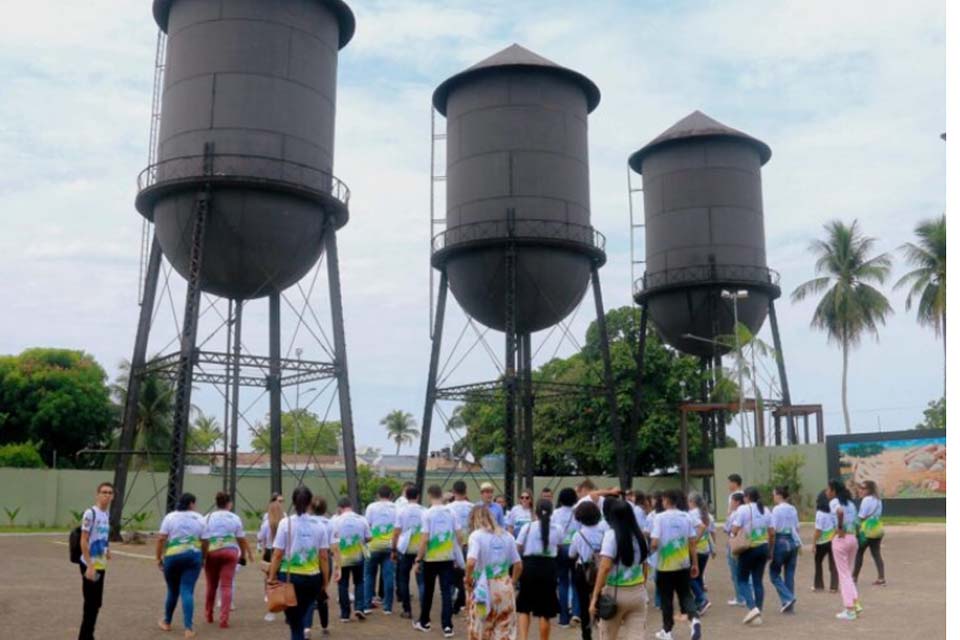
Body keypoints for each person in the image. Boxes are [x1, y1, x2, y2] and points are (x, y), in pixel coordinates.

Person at [269, 485, 331, 640]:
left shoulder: (286, 523)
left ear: (293, 502)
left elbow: (277, 554)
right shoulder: (320, 526)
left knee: (295, 621)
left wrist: (271, 577)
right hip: (312, 579)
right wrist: (324, 581)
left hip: (290, 578)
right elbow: (323, 557)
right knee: (301, 615)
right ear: (310, 502)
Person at [649, 491, 702, 640]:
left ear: (666, 500)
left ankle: (667, 630)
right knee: (685, 594)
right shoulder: (686, 516)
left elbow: (654, 542)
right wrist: (695, 564)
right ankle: (694, 618)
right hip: (683, 563)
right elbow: (692, 542)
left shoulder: (659, 518)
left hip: (665, 566)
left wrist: (649, 552)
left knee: (666, 598)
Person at [464, 505, 522, 640]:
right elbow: (518, 565)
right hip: (504, 585)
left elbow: (471, 562)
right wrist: (512, 582)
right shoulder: (507, 536)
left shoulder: (476, 536)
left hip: (483, 588)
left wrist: (468, 580)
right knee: (505, 626)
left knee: (480, 626)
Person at [157, 492, 205, 637]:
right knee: (187, 590)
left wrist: (158, 558)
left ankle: (167, 622)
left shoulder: (170, 517)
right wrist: (203, 557)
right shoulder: (199, 518)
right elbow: (206, 540)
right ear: (191, 504)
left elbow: (161, 539)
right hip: (192, 556)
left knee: (172, 590)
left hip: (173, 556)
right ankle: (189, 628)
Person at [202, 491, 252, 628]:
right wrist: (242, 556)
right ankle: (224, 619)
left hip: (212, 552)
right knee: (226, 586)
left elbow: (203, 538)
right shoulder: (235, 518)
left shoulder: (207, 517)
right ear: (229, 504)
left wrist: (203, 556)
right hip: (230, 551)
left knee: (211, 585)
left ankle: (209, 615)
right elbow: (241, 539)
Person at [415, 485, 460, 637]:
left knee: (428, 591)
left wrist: (418, 558)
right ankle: (447, 626)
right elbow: (459, 535)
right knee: (446, 592)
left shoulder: (427, 513)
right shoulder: (451, 512)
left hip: (430, 558)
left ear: (429, 495)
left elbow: (425, 539)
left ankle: (424, 622)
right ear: (441, 494)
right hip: (447, 557)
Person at [516, 499, 561, 640]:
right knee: (545, 610)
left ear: (535, 511)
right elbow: (559, 546)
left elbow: (518, 546)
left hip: (529, 567)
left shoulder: (528, 527)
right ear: (552, 511)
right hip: (549, 567)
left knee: (524, 606)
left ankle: (523, 638)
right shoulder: (558, 528)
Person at [730, 486, 774, 625]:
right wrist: (770, 550)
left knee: (741, 579)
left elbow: (735, 529)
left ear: (747, 497)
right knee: (758, 581)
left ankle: (752, 607)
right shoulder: (766, 510)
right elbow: (772, 532)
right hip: (763, 547)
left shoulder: (743, 509)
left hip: (749, 548)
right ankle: (758, 611)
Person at [77, 481, 114, 640]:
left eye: (110, 493)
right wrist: (89, 566)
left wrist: (107, 549)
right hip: (89, 564)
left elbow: (103, 536)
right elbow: (83, 540)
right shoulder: (90, 513)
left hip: (101, 563)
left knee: (96, 603)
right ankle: (85, 637)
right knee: (91, 604)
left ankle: (88, 635)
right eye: (104, 492)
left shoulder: (106, 514)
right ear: (97, 494)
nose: (107, 495)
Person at [568, 500, 604, 640]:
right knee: (601, 601)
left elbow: (571, 554)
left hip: (582, 570)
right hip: (600, 570)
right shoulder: (603, 532)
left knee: (584, 604)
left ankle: (586, 635)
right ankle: (603, 632)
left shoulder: (578, 534)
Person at [331, 496, 371, 622]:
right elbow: (369, 537)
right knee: (359, 582)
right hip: (358, 555)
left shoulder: (335, 521)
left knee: (342, 584)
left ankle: (345, 614)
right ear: (351, 507)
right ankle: (360, 607)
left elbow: (332, 540)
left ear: (339, 508)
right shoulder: (361, 519)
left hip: (341, 557)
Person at [827, 479, 862, 620]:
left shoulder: (834, 502)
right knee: (848, 573)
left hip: (841, 539)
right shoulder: (851, 504)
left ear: (834, 490)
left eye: (828, 489)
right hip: (853, 538)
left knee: (844, 575)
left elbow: (839, 512)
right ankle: (855, 603)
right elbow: (857, 522)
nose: (826, 492)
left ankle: (849, 609)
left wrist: (840, 528)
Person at [363, 484, 398, 615]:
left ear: (378, 495)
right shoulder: (396, 508)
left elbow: (367, 525)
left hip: (373, 546)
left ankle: (367, 605)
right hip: (389, 546)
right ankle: (387, 607)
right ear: (390, 496)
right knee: (388, 576)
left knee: (369, 576)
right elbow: (398, 528)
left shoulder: (371, 507)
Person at [394, 484, 426, 620]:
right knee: (422, 581)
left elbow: (396, 532)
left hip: (405, 549)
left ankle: (407, 609)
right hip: (420, 549)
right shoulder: (425, 511)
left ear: (405, 497)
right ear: (418, 496)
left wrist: (393, 549)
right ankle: (424, 610)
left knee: (403, 579)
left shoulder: (401, 511)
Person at [551, 487, 581, 627]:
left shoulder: (555, 513)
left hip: (560, 548)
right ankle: (576, 612)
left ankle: (563, 618)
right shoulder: (578, 513)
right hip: (575, 548)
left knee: (562, 583)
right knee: (576, 582)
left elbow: (552, 531)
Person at [769, 485, 800, 613]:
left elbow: (773, 529)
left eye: (774, 494)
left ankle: (788, 598)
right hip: (792, 540)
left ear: (779, 495)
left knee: (774, 573)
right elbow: (797, 527)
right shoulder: (792, 508)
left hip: (780, 541)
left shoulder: (776, 510)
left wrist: (770, 548)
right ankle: (789, 605)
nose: (773, 497)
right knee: (789, 573)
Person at [448, 481, 476, 616]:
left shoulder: (449, 508)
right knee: (469, 574)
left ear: (453, 492)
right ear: (466, 491)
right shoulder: (473, 507)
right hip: (470, 544)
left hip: (455, 545)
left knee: (454, 574)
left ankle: (456, 600)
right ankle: (464, 600)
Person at [306, 496, 332, 637]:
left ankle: (307, 627)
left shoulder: (308, 522)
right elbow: (333, 546)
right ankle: (325, 625)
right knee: (322, 593)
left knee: (309, 596)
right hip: (326, 558)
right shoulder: (329, 523)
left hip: (311, 558)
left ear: (310, 507)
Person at [686, 492, 715, 615]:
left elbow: (702, 528)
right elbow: (710, 532)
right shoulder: (707, 515)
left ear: (691, 502)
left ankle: (702, 599)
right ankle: (700, 603)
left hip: (695, 550)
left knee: (690, 576)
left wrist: (694, 541)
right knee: (698, 576)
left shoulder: (691, 514)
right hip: (705, 549)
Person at [853, 480, 886, 586]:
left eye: (864, 488)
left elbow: (861, 516)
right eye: (861, 488)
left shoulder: (866, 500)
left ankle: (854, 577)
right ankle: (881, 577)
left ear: (869, 490)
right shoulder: (878, 500)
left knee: (859, 553)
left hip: (867, 529)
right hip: (877, 528)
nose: (861, 490)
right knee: (876, 553)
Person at [259, 499, 286, 622]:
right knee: (284, 581)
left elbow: (261, 538)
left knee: (270, 581)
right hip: (283, 553)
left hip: (270, 553)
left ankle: (271, 611)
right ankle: (287, 609)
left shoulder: (266, 524)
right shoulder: (285, 523)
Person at [724, 488, 749, 606]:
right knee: (745, 570)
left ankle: (740, 597)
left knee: (735, 572)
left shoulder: (735, 514)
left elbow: (727, 528)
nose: (730, 504)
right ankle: (747, 595)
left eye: (732, 502)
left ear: (737, 502)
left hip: (734, 543)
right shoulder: (748, 512)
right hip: (746, 542)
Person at [811, 490, 839, 592]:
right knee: (833, 564)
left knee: (818, 562)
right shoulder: (832, 512)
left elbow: (818, 530)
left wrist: (814, 543)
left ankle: (818, 585)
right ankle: (834, 586)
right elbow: (836, 526)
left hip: (822, 541)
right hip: (832, 539)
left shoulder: (819, 513)